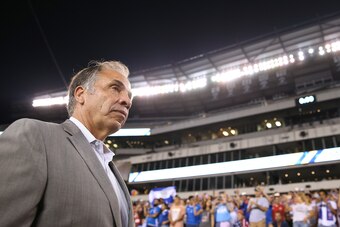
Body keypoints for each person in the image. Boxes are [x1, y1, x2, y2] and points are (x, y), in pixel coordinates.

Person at [0, 60, 134, 227]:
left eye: (129, 96)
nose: (126, 101)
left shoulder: (112, 170)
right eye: (115, 88)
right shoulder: (34, 136)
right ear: (80, 94)